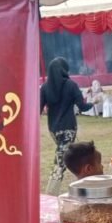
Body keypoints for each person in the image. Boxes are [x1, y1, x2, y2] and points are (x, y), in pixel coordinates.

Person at [41, 57, 94, 195]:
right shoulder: (71, 85)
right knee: (60, 163)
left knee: (73, 155)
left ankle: (85, 182)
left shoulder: (45, 87)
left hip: (53, 129)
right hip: (69, 128)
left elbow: (37, 110)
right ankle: (50, 194)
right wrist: (94, 101)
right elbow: (82, 106)